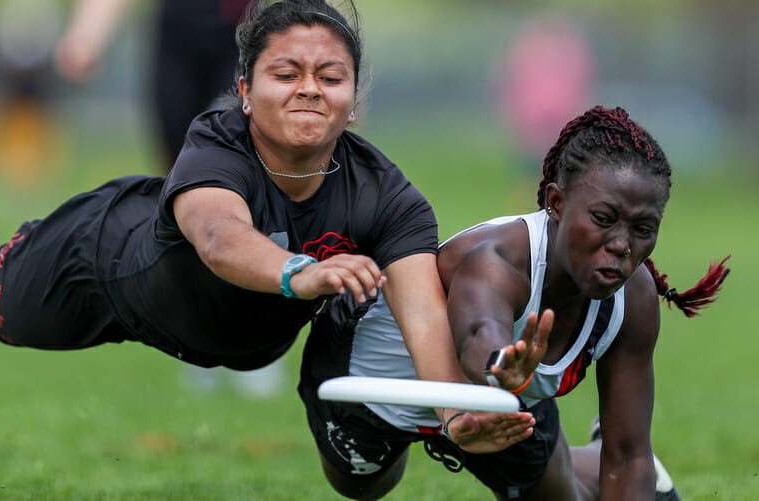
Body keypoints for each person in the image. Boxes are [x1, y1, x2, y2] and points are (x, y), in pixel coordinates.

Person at [0, 0, 474, 441]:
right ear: (245, 92)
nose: (311, 88)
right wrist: (301, 272)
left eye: (331, 77)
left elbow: (425, 317)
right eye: (287, 73)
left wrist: (459, 417)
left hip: (241, 342)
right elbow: (218, 237)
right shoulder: (216, 143)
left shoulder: (389, 198)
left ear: (354, 100)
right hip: (103, 263)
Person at [298, 105, 730, 500]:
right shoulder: (495, 258)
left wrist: (503, 381)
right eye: (603, 219)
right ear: (555, 202)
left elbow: (629, 454)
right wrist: (502, 364)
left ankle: (586, 463)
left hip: (499, 402)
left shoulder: (633, 298)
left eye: (643, 228)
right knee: (363, 486)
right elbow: (478, 339)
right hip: (372, 383)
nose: (621, 245)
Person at [56, 0, 318, 170]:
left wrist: (325, 50)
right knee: (177, 158)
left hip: (240, 47)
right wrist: (86, 35)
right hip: (176, 47)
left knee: (232, 151)